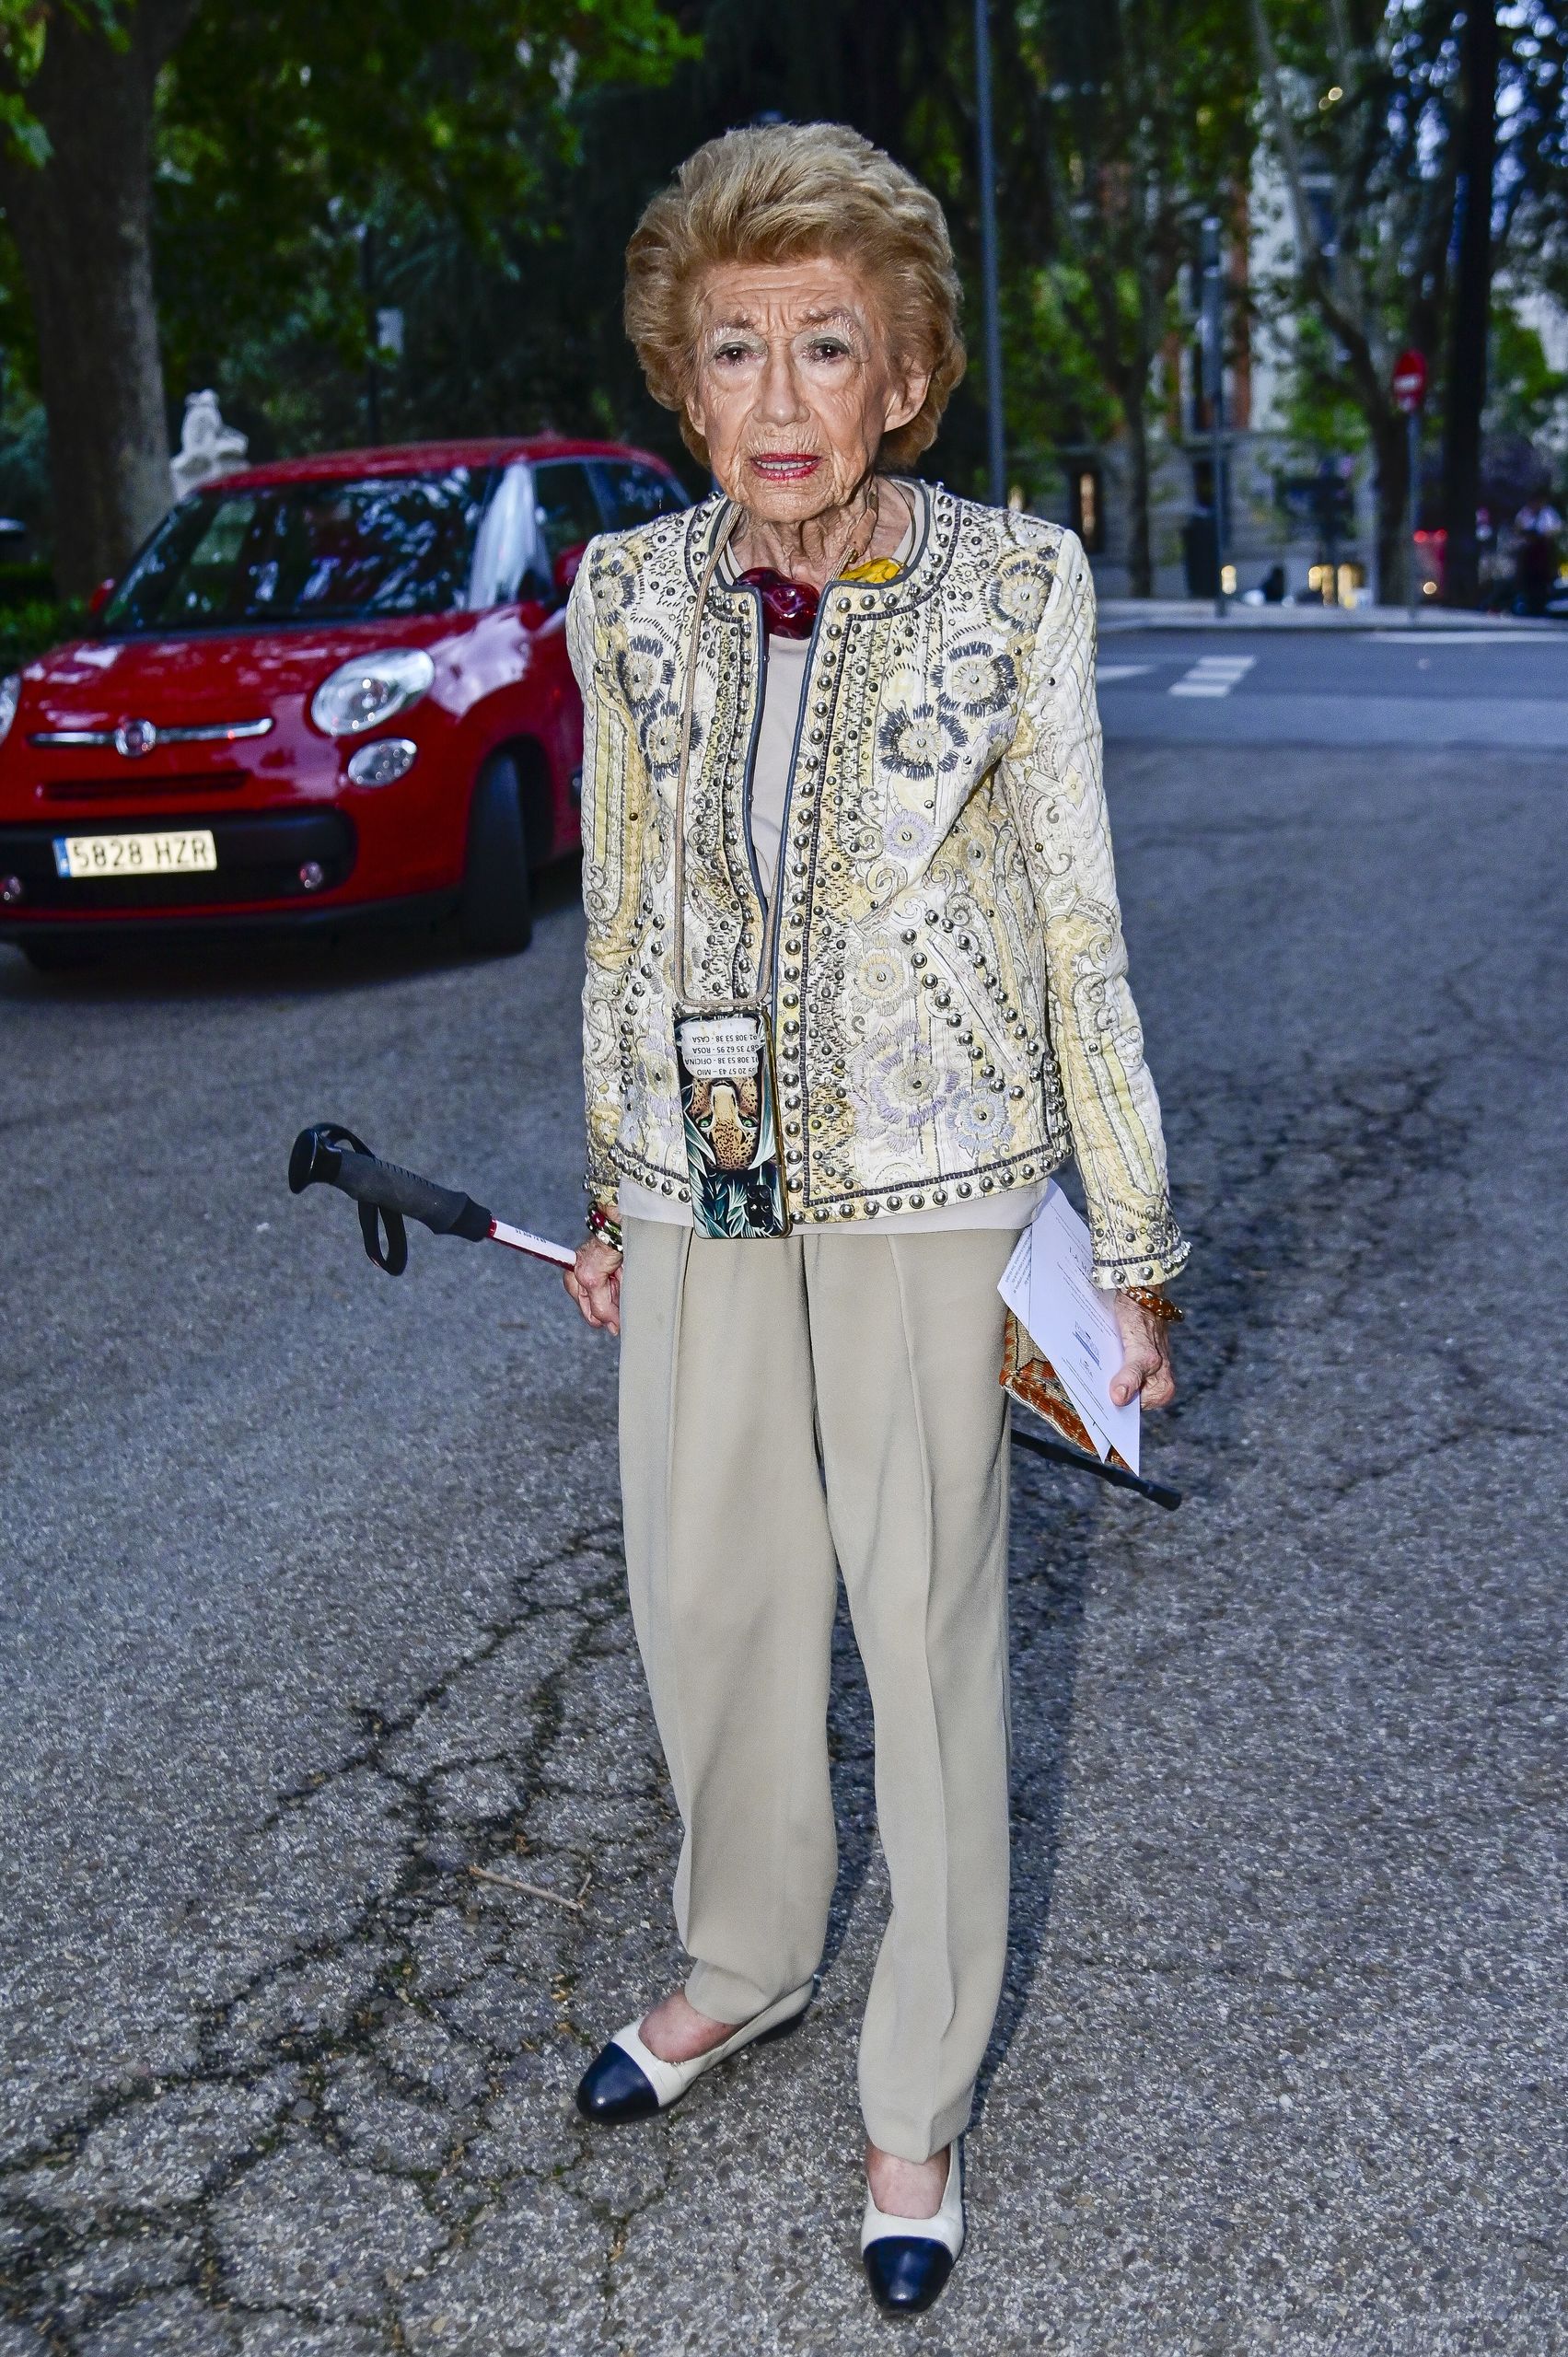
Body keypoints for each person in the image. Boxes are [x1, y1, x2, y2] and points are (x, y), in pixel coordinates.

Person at [563, 121, 1187, 2318]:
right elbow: (625, 917)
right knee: (707, 1596)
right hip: (705, 1178)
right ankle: (742, 1956)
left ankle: (916, 2081)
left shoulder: (1017, 587)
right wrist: (614, 1185)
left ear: (903, 373)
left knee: (924, 1632)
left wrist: (1133, 1240)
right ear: (683, 381)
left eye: (826, 344)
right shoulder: (625, 597)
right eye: (733, 348)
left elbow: (1081, 924)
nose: (779, 395)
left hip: (941, 1179)